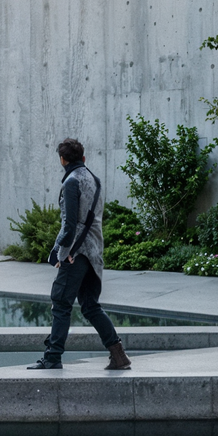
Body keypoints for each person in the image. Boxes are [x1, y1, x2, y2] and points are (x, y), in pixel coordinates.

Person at [29, 137, 133, 371]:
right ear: (83, 158)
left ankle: (53, 357)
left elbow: (70, 225)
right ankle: (118, 355)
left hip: (76, 253)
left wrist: (61, 253)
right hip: (94, 252)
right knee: (90, 305)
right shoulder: (93, 179)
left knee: (61, 303)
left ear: (62, 160)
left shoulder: (71, 182)